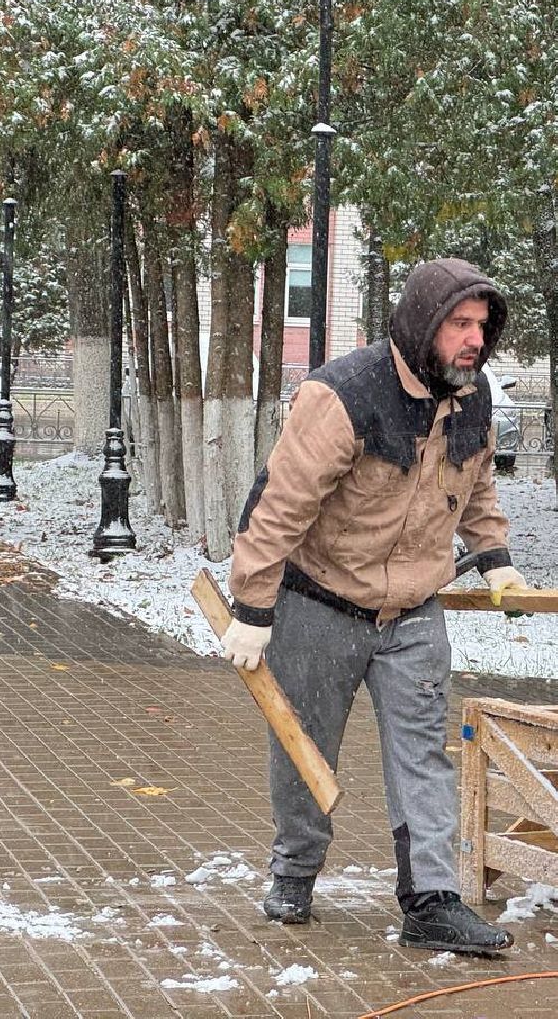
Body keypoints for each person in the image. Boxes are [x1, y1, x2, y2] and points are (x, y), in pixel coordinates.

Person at [221, 258, 526, 953]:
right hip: (322, 601)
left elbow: (477, 487)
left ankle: (431, 900)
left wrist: (498, 561)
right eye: (460, 324)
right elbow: (279, 507)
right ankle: (294, 872)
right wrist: (252, 607)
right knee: (305, 750)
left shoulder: (471, 397)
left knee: (424, 753)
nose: (474, 339)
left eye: (482, 326)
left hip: (414, 609)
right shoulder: (344, 395)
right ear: (424, 324)